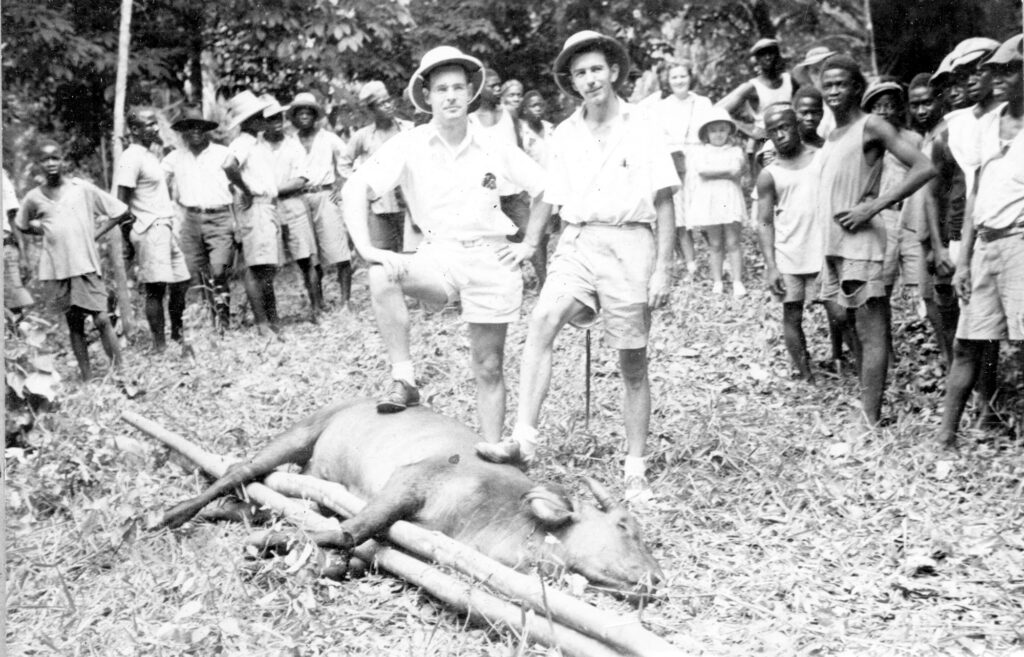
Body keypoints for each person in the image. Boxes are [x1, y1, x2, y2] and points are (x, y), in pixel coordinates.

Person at [475, 30, 677, 501]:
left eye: (596, 69)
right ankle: (523, 441)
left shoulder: (642, 124)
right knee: (542, 321)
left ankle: (635, 467)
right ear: (573, 80)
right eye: (580, 72)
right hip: (579, 239)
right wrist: (528, 243)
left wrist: (664, 268)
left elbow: (665, 200)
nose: (589, 80)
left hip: (631, 244)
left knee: (632, 362)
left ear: (612, 71)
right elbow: (549, 193)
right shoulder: (564, 133)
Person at [341, 45, 546, 442]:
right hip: (439, 257)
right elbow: (356, 187)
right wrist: (366, 248)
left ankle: (490, 450)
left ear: (470, 92)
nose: (450, 96)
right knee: (383, 273)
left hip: (491, 258)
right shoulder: (410, 142)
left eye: (457, 87)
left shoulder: (493, 143)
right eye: (441, 89)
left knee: (488, 365)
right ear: (427, 96)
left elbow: (546, 189)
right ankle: (405, 379)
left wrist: (529, 244)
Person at [815, 55, 936, 430]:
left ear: (857, 88)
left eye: (842, 84)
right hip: (834, 244)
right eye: (828, 84)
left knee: (873, 329)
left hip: (861, 242)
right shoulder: (832, 135)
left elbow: (924, 167)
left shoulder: (872, 125)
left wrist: (876, 206)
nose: (834, 91)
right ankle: (868, 407)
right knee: (845, 320)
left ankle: (870, 418)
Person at [938, 34, 1023, 448]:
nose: (1000, 79)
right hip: (985, 245)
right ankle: (945, 438)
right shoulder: (986, 126)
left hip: (1020, 243)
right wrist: (965, 261)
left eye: (1010, 70)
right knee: (967, 343)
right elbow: (974, 195)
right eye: (997, 71)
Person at [17, 140, 130, 380]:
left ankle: (120, 372)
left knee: (101, 319)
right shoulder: (33, 198)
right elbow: (23, 225)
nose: (50, 164)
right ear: (38, 164)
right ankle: (87, 377)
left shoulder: (82, 189)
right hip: (57, 269)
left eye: (54, 158)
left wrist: (93, 234)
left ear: (62, 160)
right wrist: (45, 231)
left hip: (85, 264)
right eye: (45, 159)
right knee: (74, 322)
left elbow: (120, 211)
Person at [115, 106, 192, 354]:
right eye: (149, 124)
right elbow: (120, 201)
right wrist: (130, 234)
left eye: (155, 123)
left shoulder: (148, 154)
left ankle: (177, 332)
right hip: (148, 228)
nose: (155, 128)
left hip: (164, 227)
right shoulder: (130, 157)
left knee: (182, 280)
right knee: (156, 288)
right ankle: (160, 346)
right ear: (134, 129)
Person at [755, 104, 823, 381]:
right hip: (789, 255)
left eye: (785, 127)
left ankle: (845, 358)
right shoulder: (769, 174)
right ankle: (806, 373)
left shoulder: (820, 158)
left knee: (839, 312)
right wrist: (771, 265)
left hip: (822, 251)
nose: (781, 135)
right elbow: (764, 221)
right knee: (792, 314)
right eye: (774, 131)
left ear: (796, 126)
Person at [161, 105, 235, 328]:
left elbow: (237, 184)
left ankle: (222, 320)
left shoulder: (223, 153)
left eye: (199, 127)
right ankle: (198, 320)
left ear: (206, 130)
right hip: (190, 219)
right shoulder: (175, 158)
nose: (195, 132)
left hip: (219, 216)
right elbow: (158, 184)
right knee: (190, 273)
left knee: (219, 270)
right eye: (189, 128)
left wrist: (236, 221)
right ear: (183, 131)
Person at [469, 68, 543, 287]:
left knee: (531, 235)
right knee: (497, 245)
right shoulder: (471, 120)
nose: (497, 88)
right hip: (489, 196)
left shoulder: (509, 114)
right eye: (491, 85)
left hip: (514, 192)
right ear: (479, 89)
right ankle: (512, 284)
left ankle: (545, 282)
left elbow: (519, 149)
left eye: (498, 83)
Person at [906, 74, 957, 365]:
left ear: (939, 100)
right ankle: (949, 362)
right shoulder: (925, 138)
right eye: (915, 105)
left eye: (927, 103)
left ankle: (957, 367)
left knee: (945, 303)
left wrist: (937, 244)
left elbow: (942, 195)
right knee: (931, 300)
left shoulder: (945, 133)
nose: (921, 110)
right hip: (923, 232)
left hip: (939, 233)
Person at [222, 90, 281, 336]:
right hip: (254, 206)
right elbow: (228, 166)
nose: (263, 119)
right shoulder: (243, 142)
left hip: (265, 206)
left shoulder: (257, 143)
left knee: (266, 266)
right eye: (258, 115)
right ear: (249, 120)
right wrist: (244, 190)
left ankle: (271, 319)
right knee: (257, 267)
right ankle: (262, 323)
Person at [260, 96, 323, 322]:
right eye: (270, 118)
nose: (276, 122)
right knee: (267, 264)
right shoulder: (257, 146)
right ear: (262, 122)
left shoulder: (293, 145)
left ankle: (316, 310)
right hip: (266, 210)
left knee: (307, 258)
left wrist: (273, 190)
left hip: (293, 205)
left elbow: (300, 179)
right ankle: (272, 317)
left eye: (278, 117)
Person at [288, 92, 353, 309]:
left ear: (315, 115)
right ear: (294, 118)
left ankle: (345, 302)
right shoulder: (290, 141)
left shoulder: (328, 138)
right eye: (300, 113)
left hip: (325, 194)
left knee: (339, 251)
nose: (304, 116)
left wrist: (342, 187)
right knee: (308, 253)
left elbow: (349, 160)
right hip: (298, 197)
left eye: (309, 112)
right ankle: (318, 303)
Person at [653, 59, 712, 277]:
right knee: (679, 216)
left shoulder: (703, 102)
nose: (679, 81)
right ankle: (691, 264)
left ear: (690, 77)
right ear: (668, 81)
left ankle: (719, 257)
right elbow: (658, 137)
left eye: (683, 76)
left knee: (706, 212)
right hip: (674, 161)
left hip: (699, 158)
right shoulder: (661, 107)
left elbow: (711, 132)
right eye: (674, 77)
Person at [340, 81, 413, 253]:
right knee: (384, 255)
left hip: (410, 205)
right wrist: (363, 186)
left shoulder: (408, 129)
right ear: (371, 110)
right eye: (381, 104)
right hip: (381, 206)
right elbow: (344, 163)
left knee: (412, 253)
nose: (388, 106)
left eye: (388, 101)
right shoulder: (363, 136)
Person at [688, 107, 748, 297]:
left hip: (729, 197)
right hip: (710, 200)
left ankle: (737, 281)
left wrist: (720, 171)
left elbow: (736, 170)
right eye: (713, 130)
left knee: (733, 241)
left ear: (729, 131)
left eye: (722, 129)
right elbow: (702, 171)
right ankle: (718, 281)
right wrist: (725, 172)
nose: (718, 134)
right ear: (706, 134)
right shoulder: (701, 152)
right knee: (715, 243)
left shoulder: (736, 150)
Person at [717, 38, 795, 150]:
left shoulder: (789, 80)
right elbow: (719, 112)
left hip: (790, 138)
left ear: (778, 55)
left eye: (771, 52)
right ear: (757, 60)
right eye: (763, 54)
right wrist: (750, 130)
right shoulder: (752, 87)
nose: (768, 57)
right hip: (766, 141)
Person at [3, 167, 33, 318]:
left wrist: (23, 255)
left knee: (15, 306)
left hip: (5, 248)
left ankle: (14, 339)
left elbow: (13, 217)